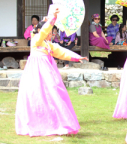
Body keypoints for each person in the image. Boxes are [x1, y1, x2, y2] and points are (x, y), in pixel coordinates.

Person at [15, 8, 88, 137]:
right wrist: (52, 19)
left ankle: (56, 120)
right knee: (36, 94)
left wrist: (77, 57)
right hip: (35, 73)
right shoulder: (36, 40)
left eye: (51, 32)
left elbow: (62, 52)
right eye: (49, 32)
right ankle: (38, 122)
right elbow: (42, 32)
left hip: (48, 71)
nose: (50, 34)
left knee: (54, 91)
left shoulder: (49, 45)